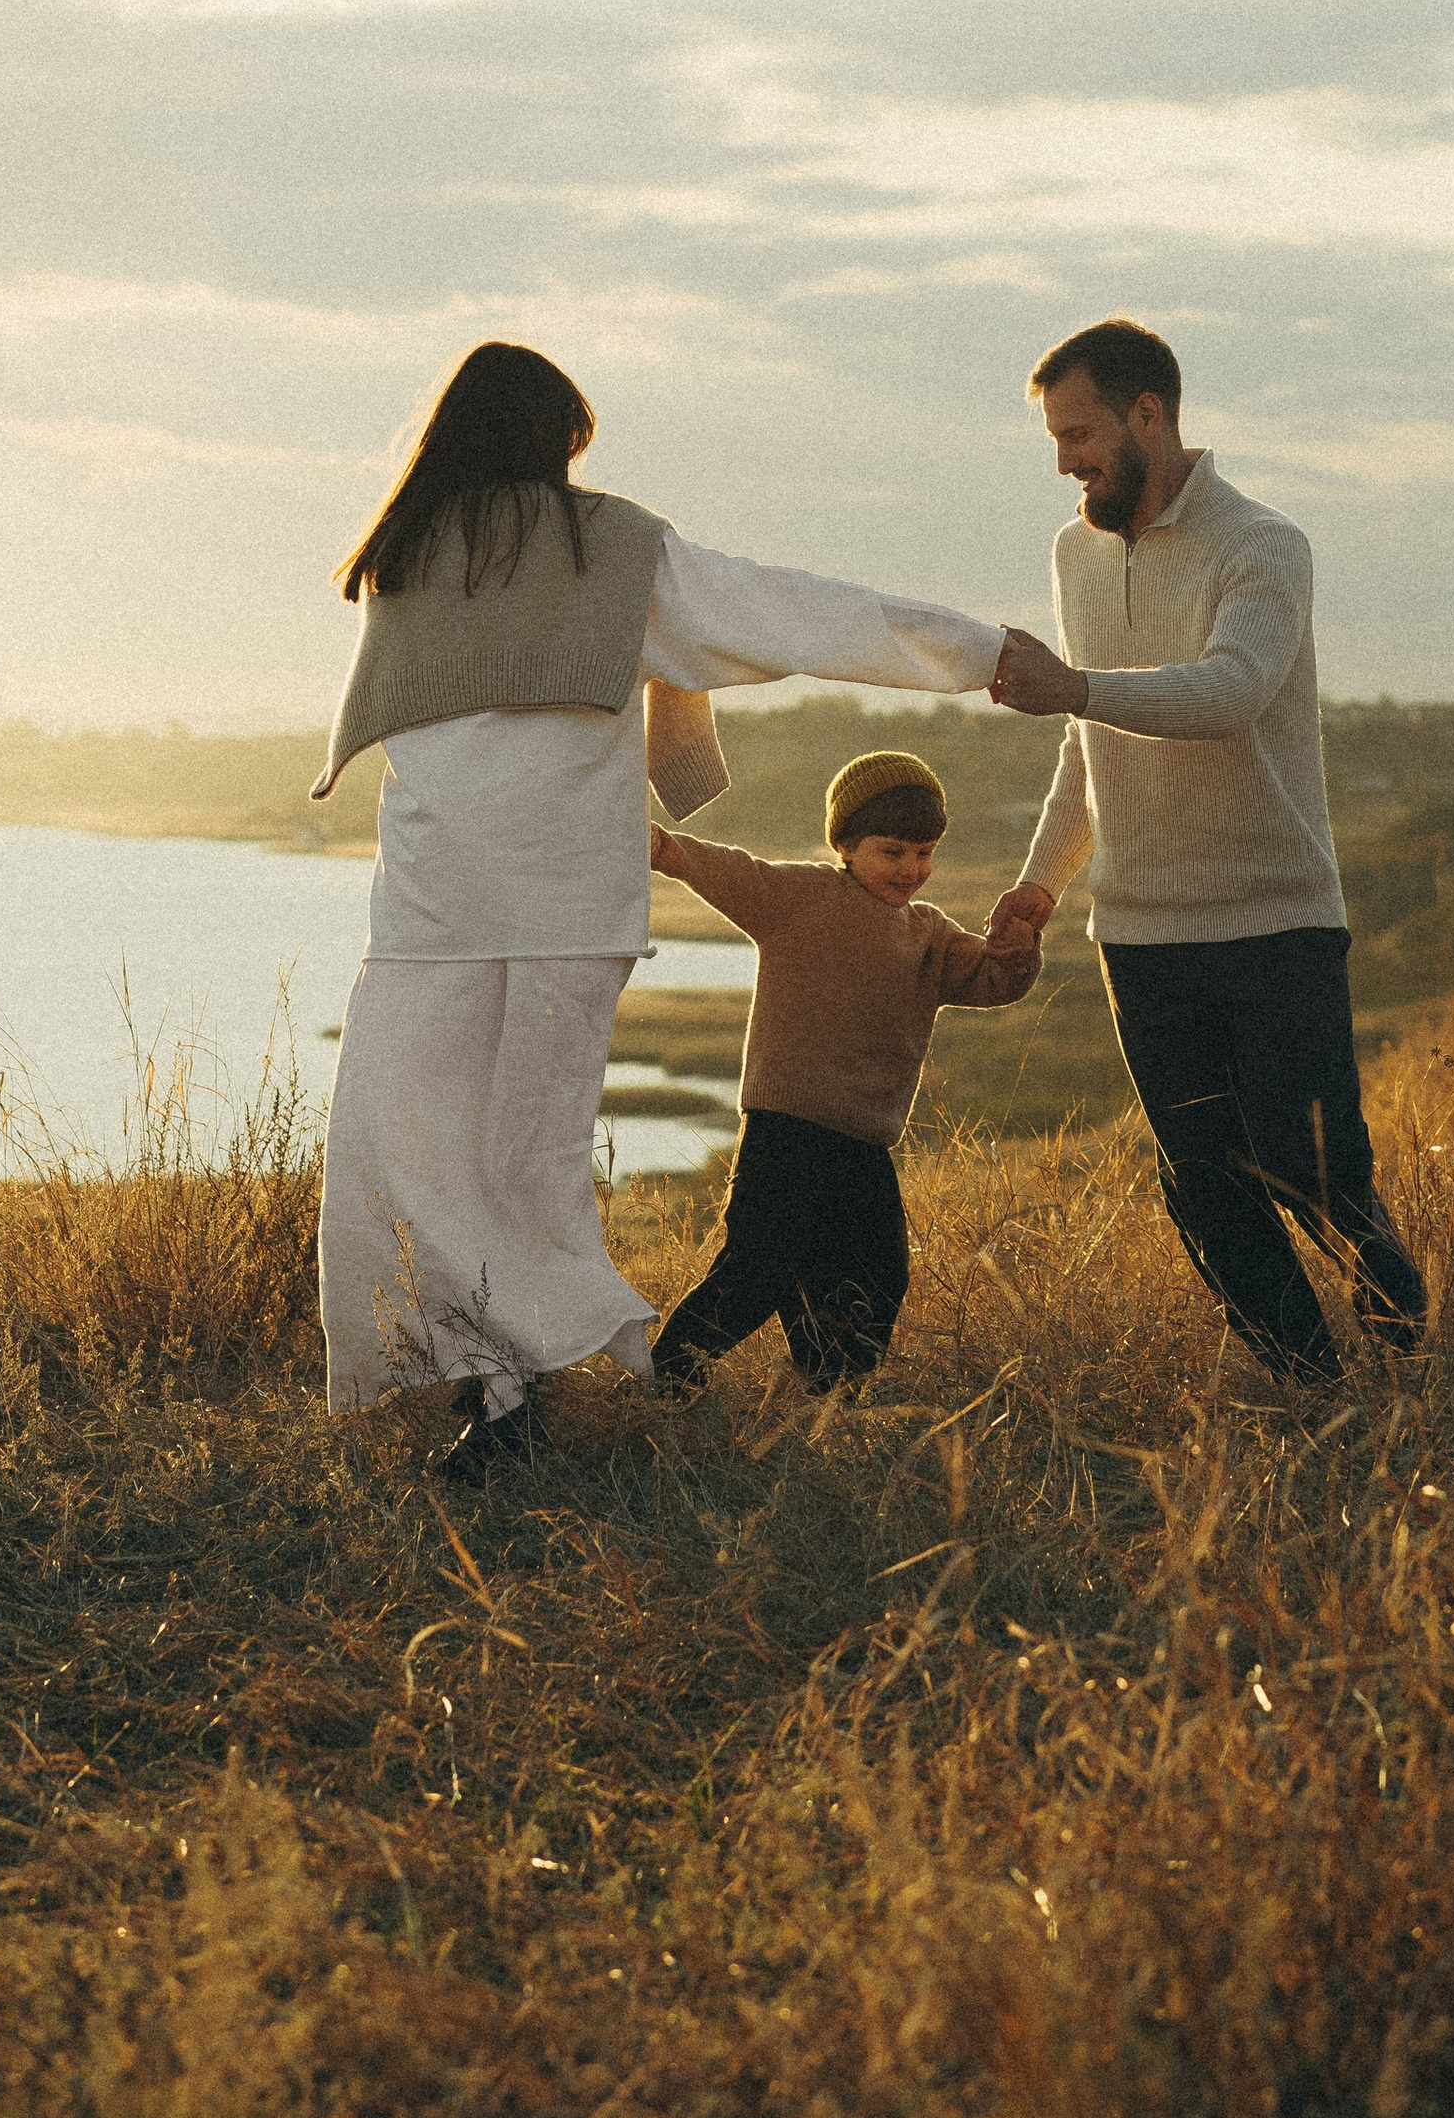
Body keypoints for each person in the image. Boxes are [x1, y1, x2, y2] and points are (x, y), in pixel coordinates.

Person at [312, 341, 1039, 1481]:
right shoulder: (584, 547)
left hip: (435, 904)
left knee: (419, 1154)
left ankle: (511, 1393)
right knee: (520, 1160)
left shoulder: (400, 553)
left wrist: (978, 655)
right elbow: (791, 612)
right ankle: (523, 1371)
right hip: (533, 905)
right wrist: (980, 652)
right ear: (551, 445)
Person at [990, 317, 1425, 1392]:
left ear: (1150, 415)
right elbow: (1088, 744)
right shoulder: (1072, 550)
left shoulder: (1263, 546)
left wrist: (1075, 688)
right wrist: (1040, 884)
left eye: (1081, 433)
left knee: (1306, 1165)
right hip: (1139, 936)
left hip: (1274, 918)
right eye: (1053, 439)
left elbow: (1230, 693)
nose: (1065, 461)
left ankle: (1405, 1327)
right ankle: (1310, 1388)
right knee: (1200, 1183)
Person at [644, 749, 1051, 1397]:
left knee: (875, 1279)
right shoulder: (797, 897)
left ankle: (825, 1396)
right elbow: (726, 869)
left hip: (865, 1143)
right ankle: (662, 1384)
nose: (911, 869)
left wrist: (1019, 950)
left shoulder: (929, 933)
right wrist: (661, 846)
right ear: (846, 845)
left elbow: (995, 980)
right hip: (785, 1131)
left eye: (924, 853)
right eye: (893, 852)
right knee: (758, 1269)